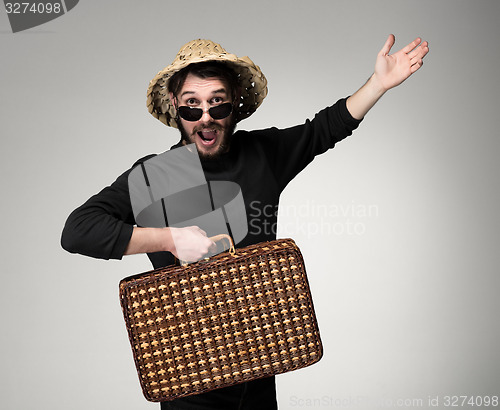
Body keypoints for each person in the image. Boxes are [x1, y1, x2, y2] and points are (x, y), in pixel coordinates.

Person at [61, 36, 429, 409]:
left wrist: (379, 83)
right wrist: (168, 239)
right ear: (175, 106)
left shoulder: (262, 154)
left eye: (216, 102)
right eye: (192, 105)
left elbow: (324, 128)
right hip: (190, 384)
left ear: (233, 102)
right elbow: (78, 230)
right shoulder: (153, 175)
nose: (205, 116)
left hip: (259, 372)